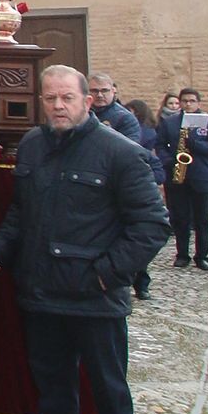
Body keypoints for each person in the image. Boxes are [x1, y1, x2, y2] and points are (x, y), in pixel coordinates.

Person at [0, 65, 169, 414]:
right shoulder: (34, 147)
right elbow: (21, 213)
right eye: (50, 99)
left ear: (88, 101)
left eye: (66, 98)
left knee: (110, 396)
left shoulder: (122, 153)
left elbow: (152, 226)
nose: (58, 106)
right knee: (55, 390)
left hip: (95, 301)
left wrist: (106, 275)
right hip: (42, 294)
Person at [87, 76, 155, 297]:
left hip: (117, 182)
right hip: (90, 183)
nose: (99, 95)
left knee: (128, 233)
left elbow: (131, 149)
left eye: (104, 90)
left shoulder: (124, 118)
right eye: (94, 90)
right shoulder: (83, 114)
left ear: (114, 91)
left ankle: (140, 282)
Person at [156, 87, 208, 270]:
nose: (188, 104)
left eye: (192, 101)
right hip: (177, 174)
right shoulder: (170, 122)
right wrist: (170, 160)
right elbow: (160, 145)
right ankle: (182, 254)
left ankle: (202, 256)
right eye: (185, 101)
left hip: (201, 174)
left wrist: (194, 143)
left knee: (202, 219)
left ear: (199, 103)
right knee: (180, 217)